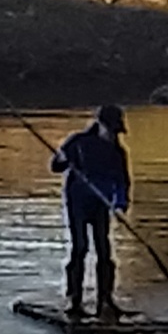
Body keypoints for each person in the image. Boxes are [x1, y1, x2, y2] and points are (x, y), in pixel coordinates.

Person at [51, 104, 131, 319]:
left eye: (116, 132)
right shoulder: (78, 143)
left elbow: (122, 182)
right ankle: (74, 300)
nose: (113, 136)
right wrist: (61, 159)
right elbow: (56, 167)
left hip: (101, 204)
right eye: (111, 131)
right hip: (78, 202)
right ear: (100, 125)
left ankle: (106, 300)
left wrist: (120, 204)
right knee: (81, 248)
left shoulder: (117, 153)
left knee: (104, 250)